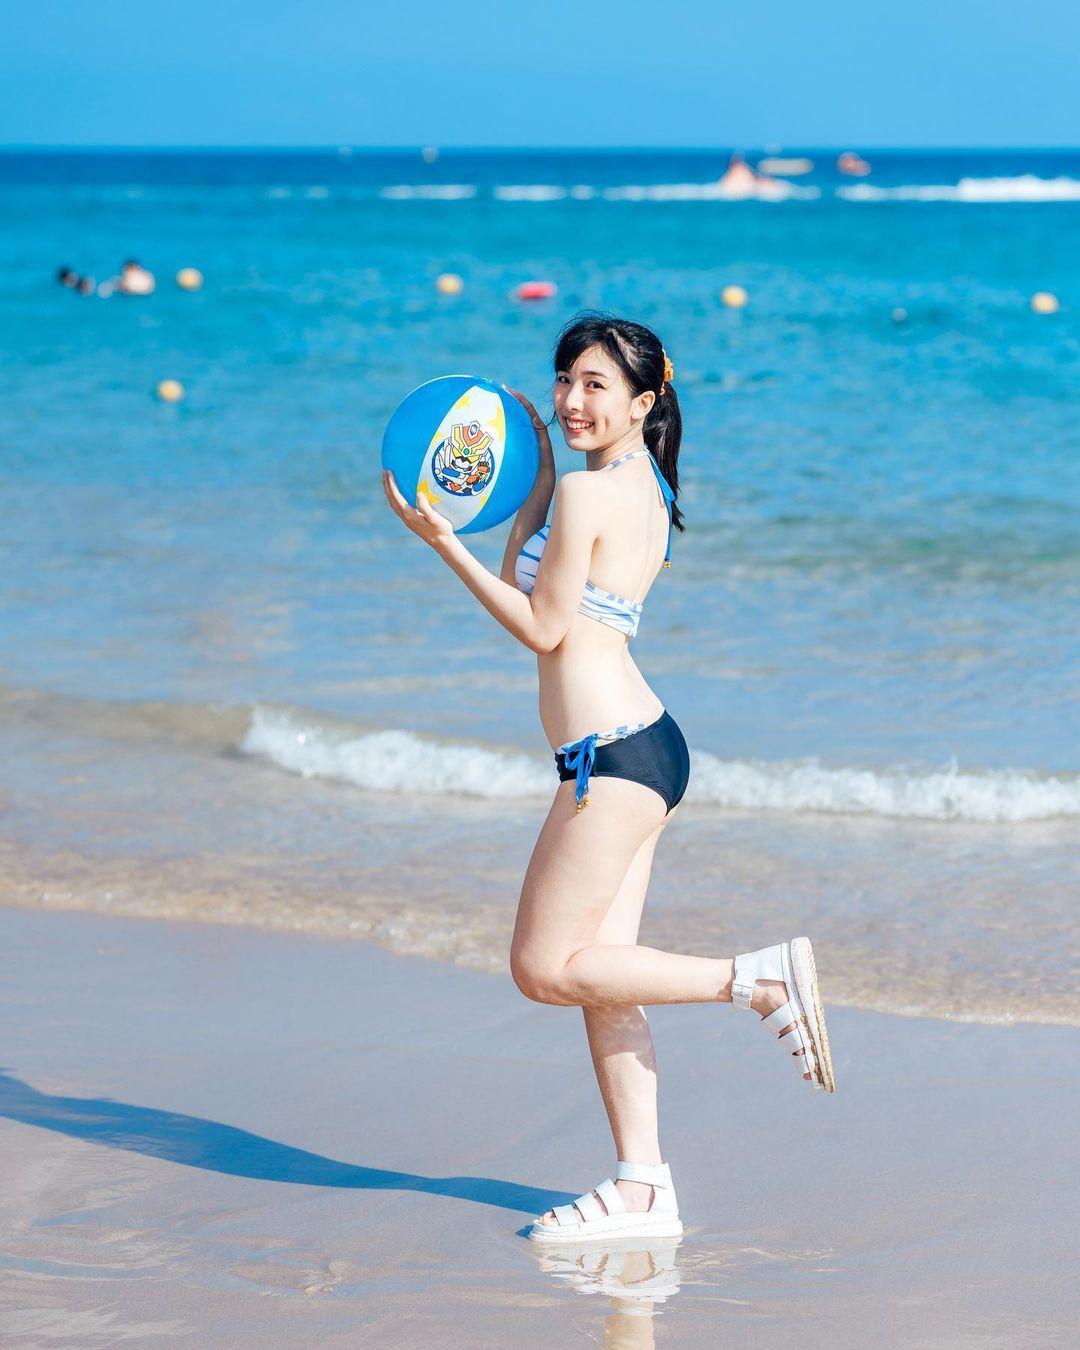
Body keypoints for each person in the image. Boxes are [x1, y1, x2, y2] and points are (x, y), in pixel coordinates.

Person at [381, 314, 834, 1244]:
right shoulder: (642, 486)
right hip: (643, 748)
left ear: (642, 399)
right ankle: (643, 1188)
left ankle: (754, 979)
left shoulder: (595, 495)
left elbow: (541, 629)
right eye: (565, 380)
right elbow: (537, 587)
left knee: (542, 968)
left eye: (595, 384)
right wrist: (540, 486)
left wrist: (441, 543)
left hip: (612, 759)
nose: (571, 400)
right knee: (602, 979)